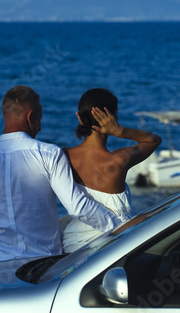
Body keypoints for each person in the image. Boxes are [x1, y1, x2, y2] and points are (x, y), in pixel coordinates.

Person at [0, 85, 122, 266]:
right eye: (39, 119)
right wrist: (119, 227)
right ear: (31, 117)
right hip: (42, 267)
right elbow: (77, 207)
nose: (40, 127)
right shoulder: (49, 154)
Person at [61, 88, 161, 252]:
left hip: (73, 244)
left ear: (79, 117)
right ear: (113, 118)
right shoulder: (118, 160)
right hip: (114, 244)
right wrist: (121, 131)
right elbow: (153, 140)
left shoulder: (64, 156)